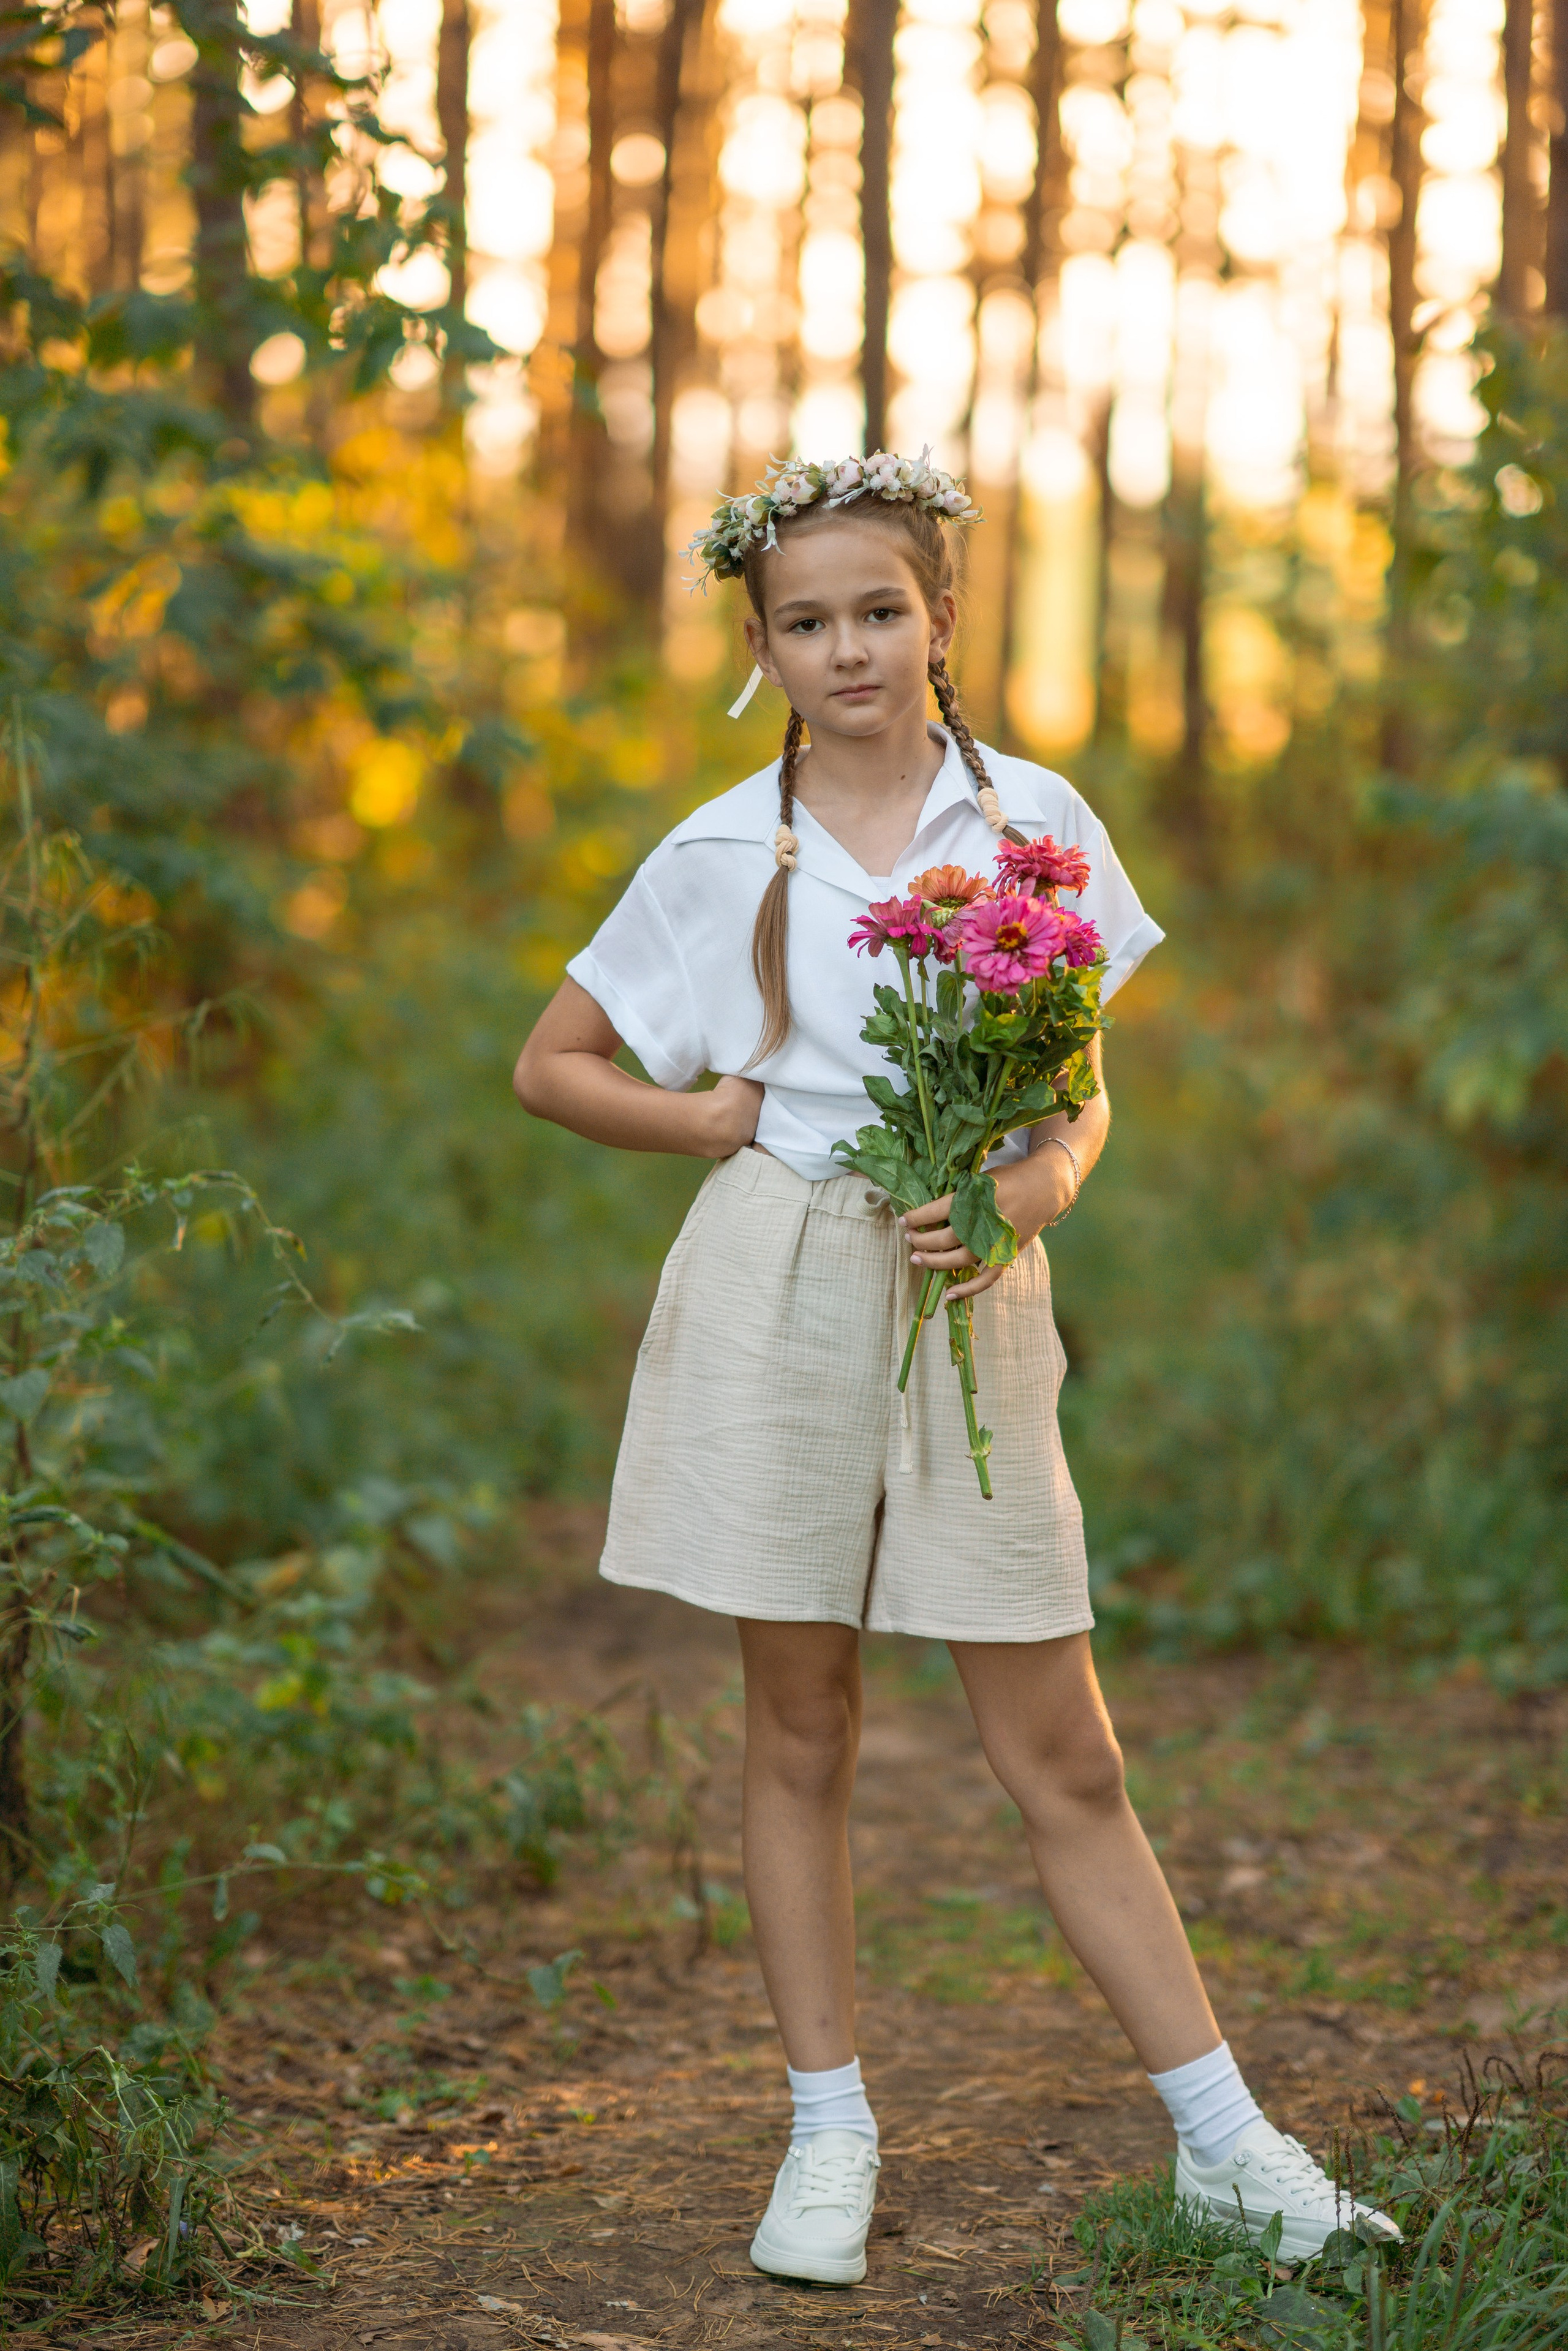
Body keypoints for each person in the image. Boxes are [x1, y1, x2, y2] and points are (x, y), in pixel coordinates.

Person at [513, 453, 1397, 2285]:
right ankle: (828, 2129)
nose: (850, 649)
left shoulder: (1033, 826)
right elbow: (554, 1062)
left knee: (1060, 1742)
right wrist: (707, 1123)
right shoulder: (711, 854)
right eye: (808, 622)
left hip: (969, 1285)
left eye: (881, 611)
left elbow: (1076, 1089)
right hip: (781, 1278)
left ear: (939, 617)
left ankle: (1230, 2143)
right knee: (802, 1723)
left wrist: (1027, 1192)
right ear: (760, 644)